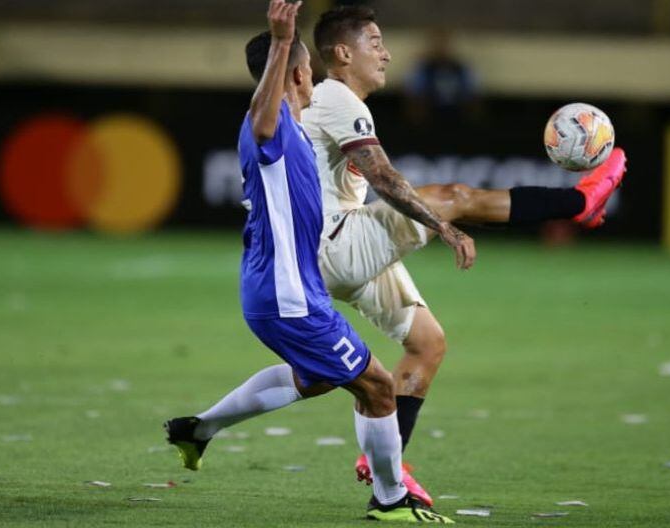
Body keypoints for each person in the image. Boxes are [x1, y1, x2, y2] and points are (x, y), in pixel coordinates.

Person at [305, 6, 627, 505]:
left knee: (427, 344)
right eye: (375, 42)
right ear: (343, 54)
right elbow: (386, 180)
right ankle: (578, 203)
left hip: (339, 252)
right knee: (451, 198)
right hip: (334, 245)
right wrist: (443, 228)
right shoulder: (336, 98)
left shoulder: (332, 100)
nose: (386, 52)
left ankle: (383, 464)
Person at [162, 1, 453, 523]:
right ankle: (391, 501)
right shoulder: (267, 132)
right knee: (379, 387)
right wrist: (280, 42)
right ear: (301, 72)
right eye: (308, 71)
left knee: (315, 378)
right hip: (287, 294)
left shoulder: (299, 133)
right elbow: (263, 117)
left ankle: (197, 429)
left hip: (293, 289)